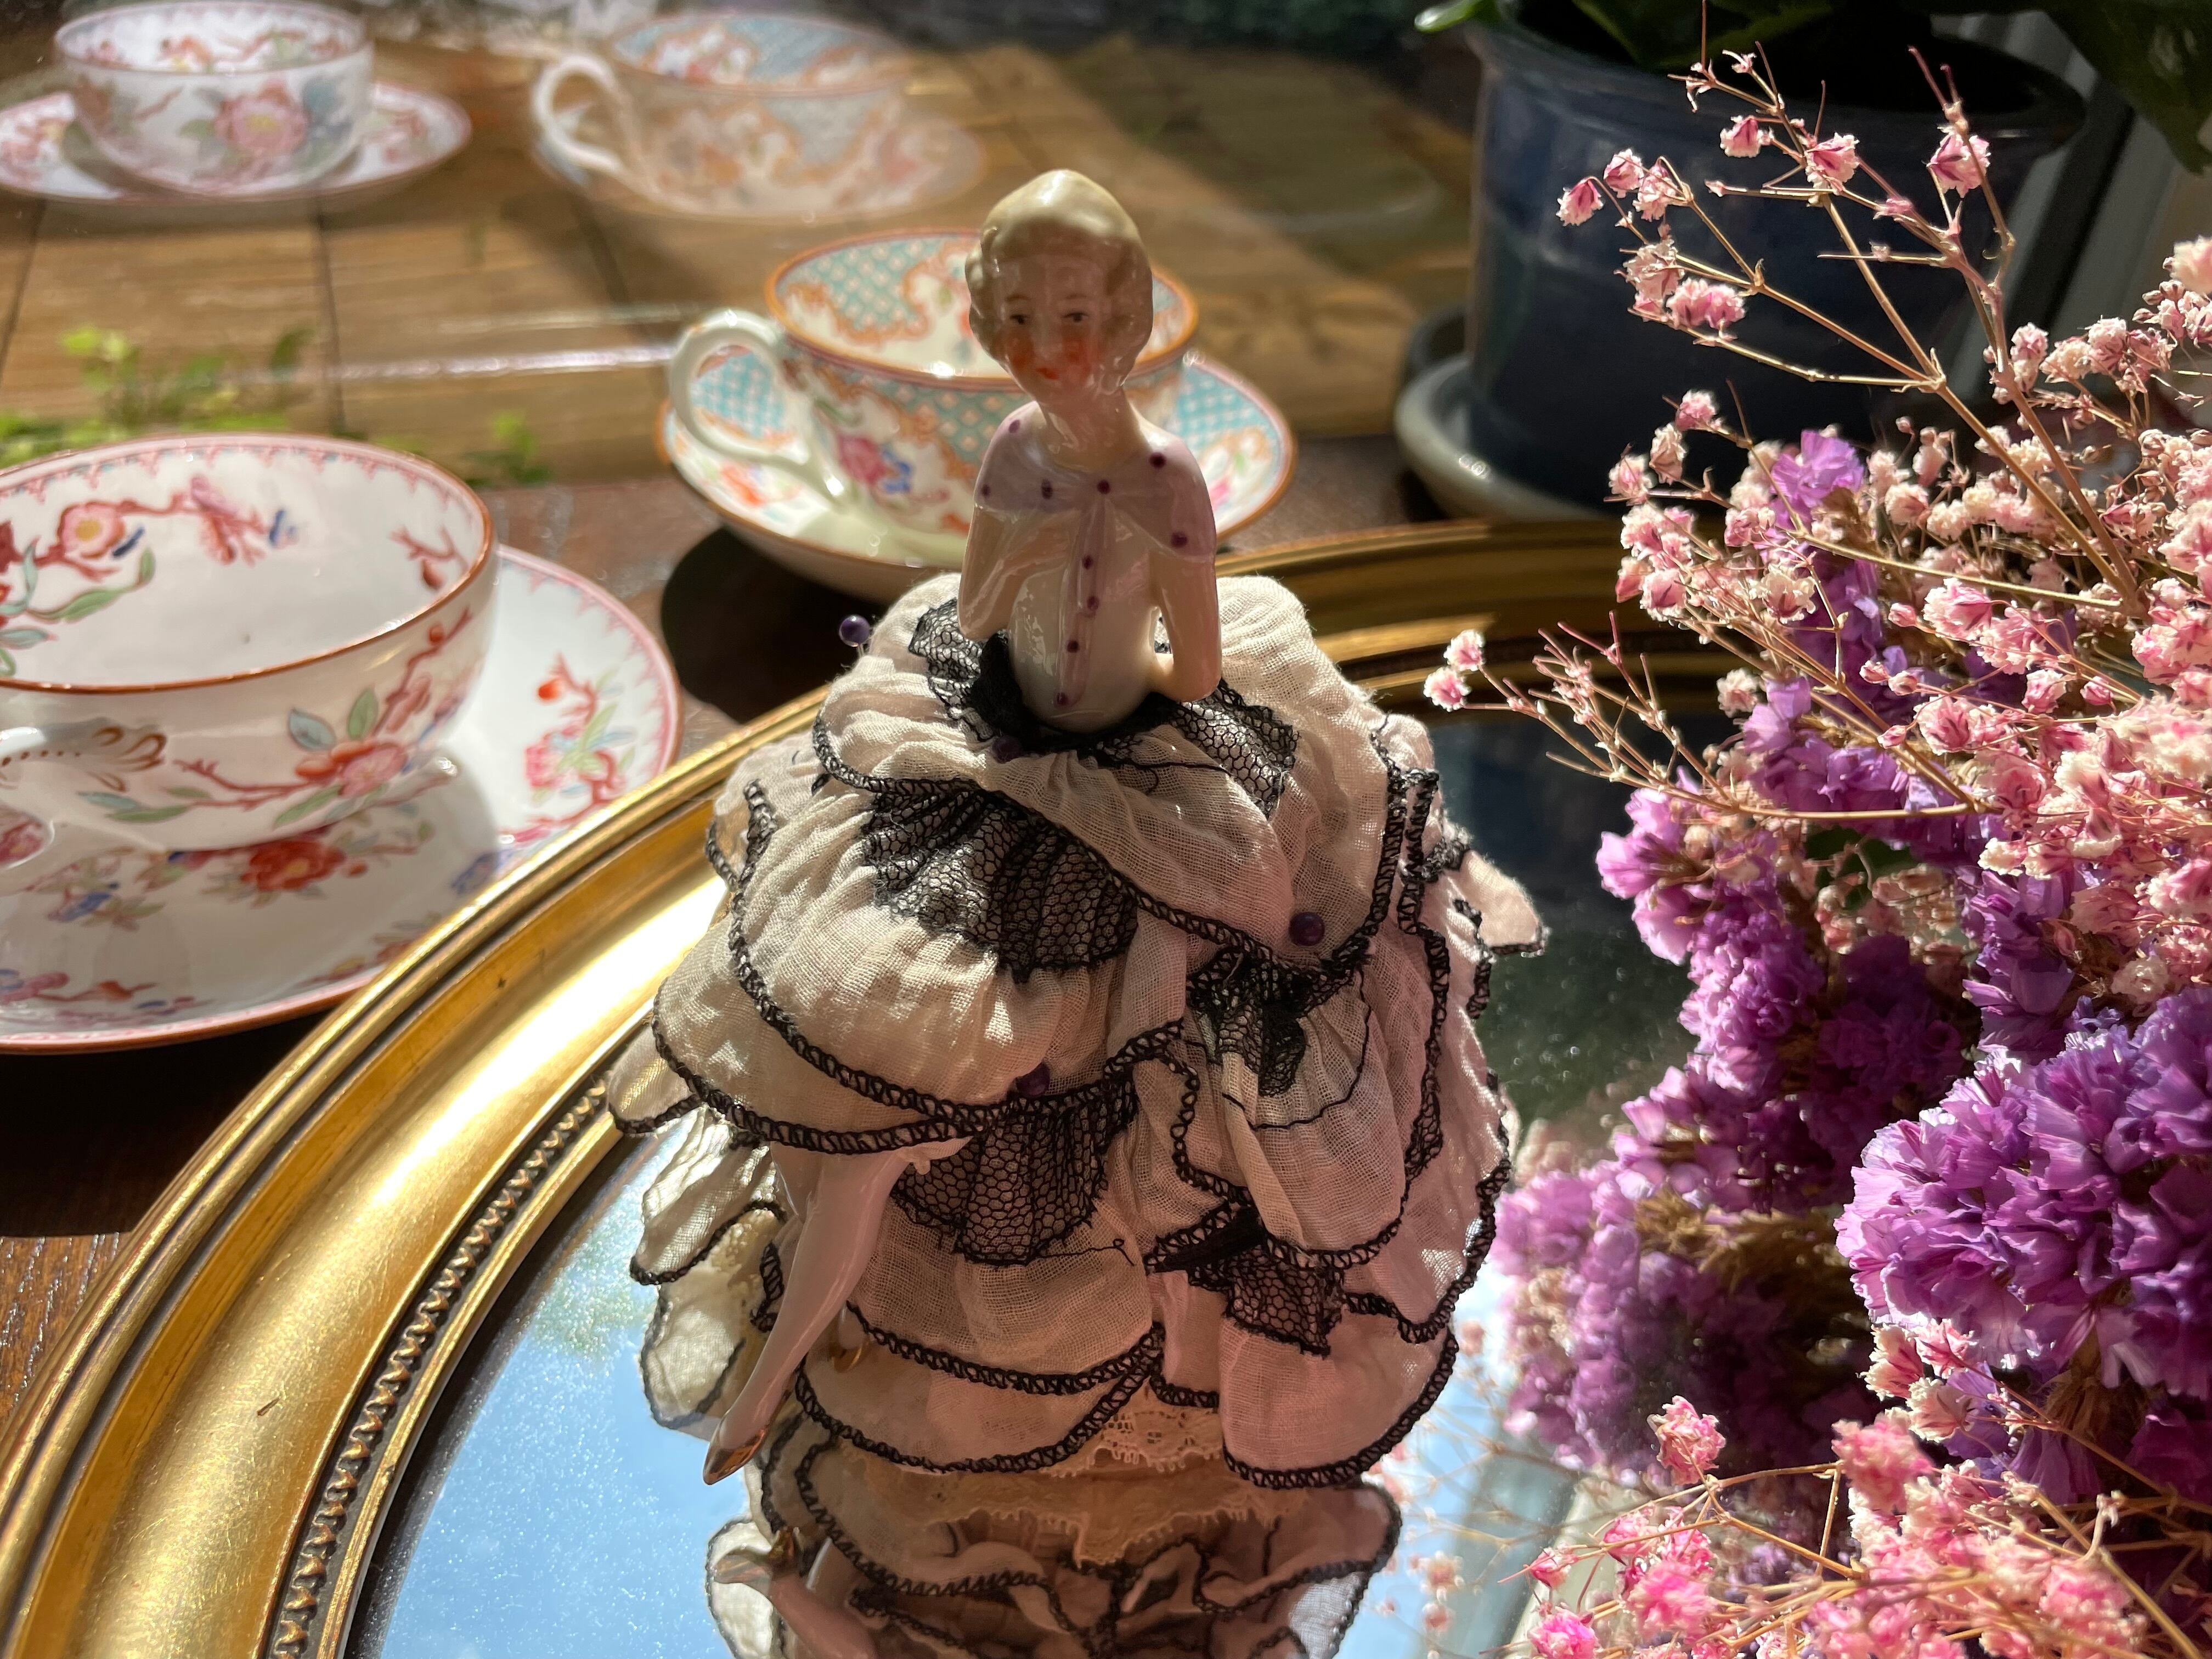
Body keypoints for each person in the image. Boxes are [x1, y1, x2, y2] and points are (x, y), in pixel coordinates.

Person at [612, 170, 1538, 1659]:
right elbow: (979, 614)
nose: (1057, 346)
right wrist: (1032, 605)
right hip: (996, 756)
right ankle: (792, 1358)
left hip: (1146, 774)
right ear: (993, 326)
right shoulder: (1015, 456)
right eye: (1029, 319)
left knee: (1194, 1048)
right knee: (887, 1070)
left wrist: (1103, 634)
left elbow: (1195, 667)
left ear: (1131, 319)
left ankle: (1177, 1383)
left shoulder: (1168, 474)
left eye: (1085, 316)